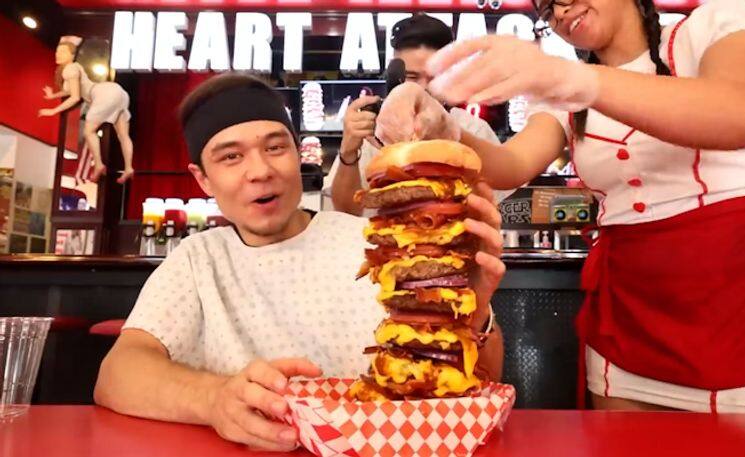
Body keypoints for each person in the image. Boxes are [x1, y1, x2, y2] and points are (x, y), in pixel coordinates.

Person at [375, 0, 745, 414]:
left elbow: (742, 113)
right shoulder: (563, 93)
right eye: (547, 7)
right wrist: (441, 124)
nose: (560, 11)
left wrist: (574, 79)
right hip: (628, 315)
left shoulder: (716, 22)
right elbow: (511, 164)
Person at [93, 74, 506, 451]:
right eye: (231, 157)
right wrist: (214, 399)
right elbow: (118, 374)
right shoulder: (198, 261)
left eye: (275, 148)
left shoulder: (378, 243)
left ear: (297, 154)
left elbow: (478, 384)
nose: (261, 171)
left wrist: (473, 310)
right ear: (202, 178)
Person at [327, 13, 512, 215]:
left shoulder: (473, 129)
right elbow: (346, 212)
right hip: (384, 240)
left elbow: (492, 206)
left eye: (435, 77)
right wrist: (348, 151)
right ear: (394, 76)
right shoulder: (375, 130)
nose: (423, 88)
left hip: (452, 239)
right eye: (412, 77)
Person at [39, 39, 134, 184]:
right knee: (123, 135)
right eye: (57, 51)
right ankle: (128, 167)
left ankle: (99, 164)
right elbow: (69, 90)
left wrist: (54, 110)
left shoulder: (70, 70)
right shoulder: (74, 68)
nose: (58, 54)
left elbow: (75, 97)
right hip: (118, 92)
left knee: (88, 131)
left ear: (72, 55)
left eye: (62, 52)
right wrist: (53, 96)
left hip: (102, 94)